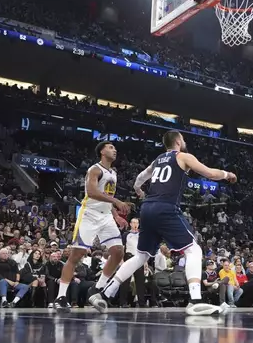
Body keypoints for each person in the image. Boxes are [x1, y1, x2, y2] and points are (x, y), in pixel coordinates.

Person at [90, 130, 237, 316]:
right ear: (177, 141)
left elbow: (140, 178)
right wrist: (227, 174)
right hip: (165, 207)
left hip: (147, 208)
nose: (183, 142)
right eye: (182, 139)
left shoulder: (158, 159)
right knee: (194, 250)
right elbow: (210, 173)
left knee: (141, 256)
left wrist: (138, 190)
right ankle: (195, 300)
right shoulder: (183, 156)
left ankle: (105, 293)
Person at [55, 141, 130, 313]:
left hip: (106, 216)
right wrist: (117, 201)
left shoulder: (114, 173)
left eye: (115, 148)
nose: (114, 150)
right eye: (111, 147)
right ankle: (61, 296)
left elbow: (107, 196)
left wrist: (116, 215)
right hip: (89, 214)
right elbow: (92, 192)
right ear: (102, 151)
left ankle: (96, 289)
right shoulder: (94, 169)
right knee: (77, 254)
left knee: (118, 251)